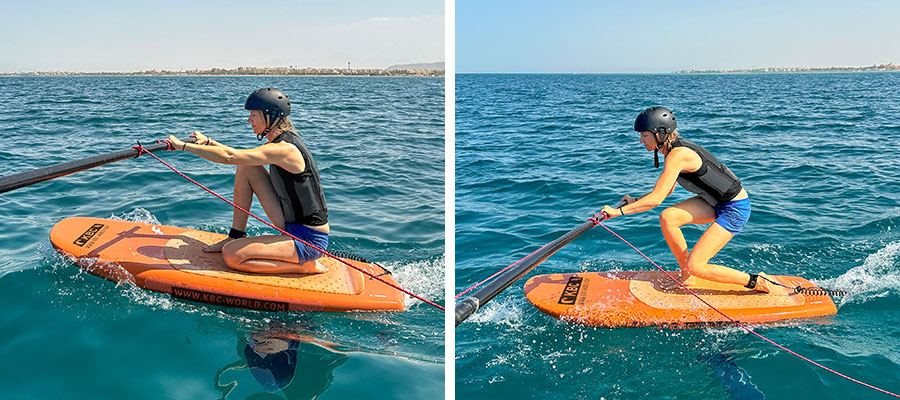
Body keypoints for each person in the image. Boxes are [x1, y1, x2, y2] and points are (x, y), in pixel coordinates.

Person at [601, 106, 790, 295]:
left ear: (660, 133)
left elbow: (657, 199)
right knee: (669, 218)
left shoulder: (678, 155)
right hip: (713, 202)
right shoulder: (671, 151)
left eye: (644, 135)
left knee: (696, 265)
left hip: (734, 208)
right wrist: (634, 200)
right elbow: (665, 191)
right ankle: (687, 276)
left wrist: (619, 212)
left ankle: (757, 281)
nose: (640, 140)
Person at [166, 87, 329, 274]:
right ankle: (235, 235)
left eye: (253, 114)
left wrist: (183, 146)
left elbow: (229, 156)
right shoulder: (278, 142)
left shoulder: (286, 149)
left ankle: (306, 266)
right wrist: (209, 143)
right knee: (247, 165)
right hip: (290, 222)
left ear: (270, 116)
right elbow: (240, 156)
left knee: (232, 255)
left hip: (309, 239)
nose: (249, 120)